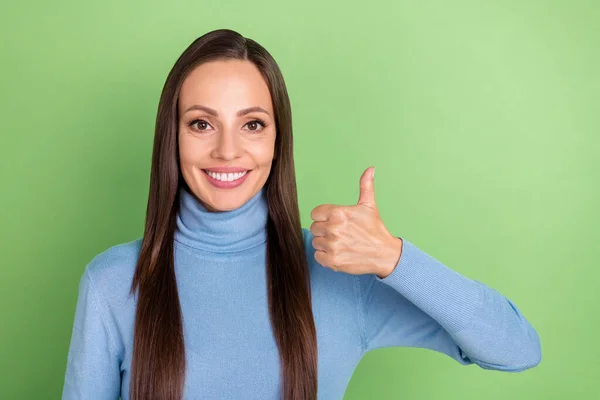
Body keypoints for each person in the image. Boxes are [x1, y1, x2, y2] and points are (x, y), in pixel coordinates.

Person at [61, 28, 541, 400]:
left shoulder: (339, 272)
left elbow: (517, 348)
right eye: (202, 123)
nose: (227, 150)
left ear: (277, 140)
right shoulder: (114, 281)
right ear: (173, 136)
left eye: (252, 124)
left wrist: (394, 259)